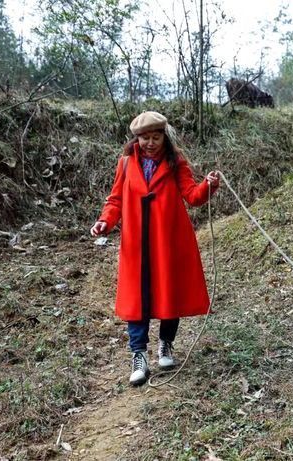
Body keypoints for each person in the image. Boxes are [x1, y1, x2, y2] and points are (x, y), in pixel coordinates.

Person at [90, 111, 220, 386]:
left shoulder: (176, 162)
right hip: (136, 242)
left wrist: (209, 185)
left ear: (164, 136)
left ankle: (166, 345)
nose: (150, 143)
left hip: (169, 240)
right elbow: (115, 200)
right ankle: (138, 355)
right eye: (145, 138)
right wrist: (104, 221)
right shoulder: (126, 163)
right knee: (136, 299)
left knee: (169, 293)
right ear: (136, 138)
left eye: (156, 137)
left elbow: (193, 197)